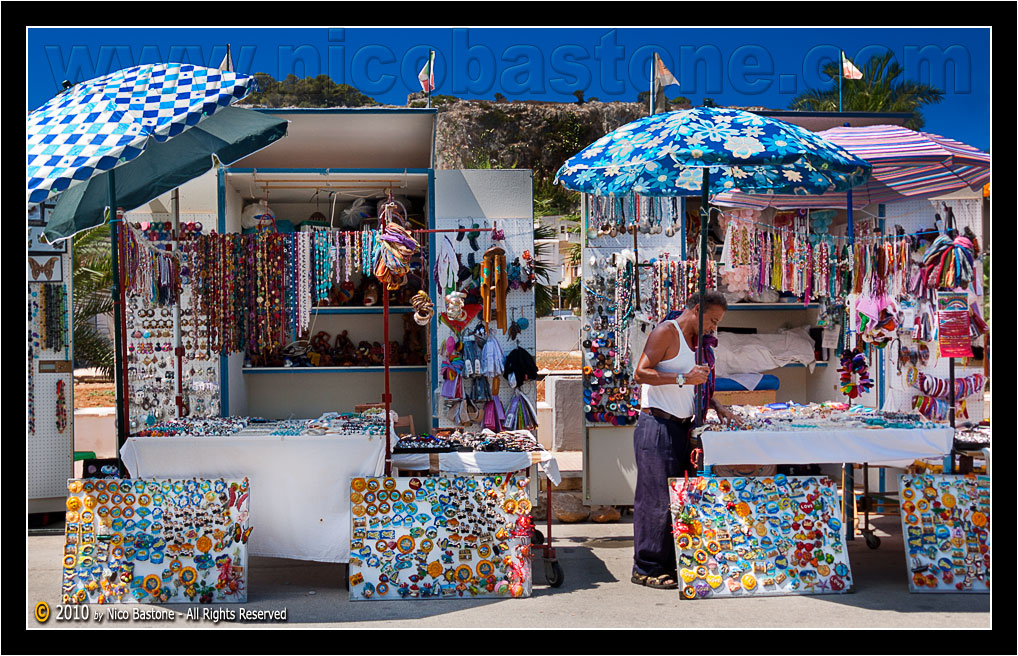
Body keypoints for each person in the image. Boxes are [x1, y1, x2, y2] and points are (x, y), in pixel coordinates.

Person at [630, 291, 742, 589]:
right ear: (696, 310)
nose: (713, 327)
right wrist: (683, 379)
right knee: (655, 499)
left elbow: (696, 382)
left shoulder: (699, 344)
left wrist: (716, 405)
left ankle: (670, 562)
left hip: (682, 428)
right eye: (713, 320)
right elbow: (640, 372)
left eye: (718, 322)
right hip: (657, 424)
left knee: (679, 498)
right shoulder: (668, 332)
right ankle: (646, 568)